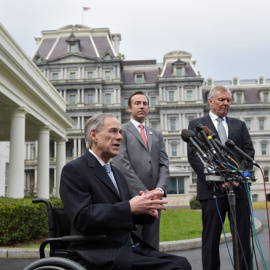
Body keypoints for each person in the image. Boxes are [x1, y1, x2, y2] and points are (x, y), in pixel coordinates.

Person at [60, 113, 191, 270]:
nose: (120, 137)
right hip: (99, 250)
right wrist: (130, 207)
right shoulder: (75, 170)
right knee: (175, 268)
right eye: (113, 131)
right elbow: (83, 218)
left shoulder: (117, 174)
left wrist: (146, 211)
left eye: (120, 132)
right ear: (94, 135)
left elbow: (126, 213)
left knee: (182, 263)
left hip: (126, 245)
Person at [187, 85, 255, 270]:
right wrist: (215, 177)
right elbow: (193, 157)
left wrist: (237, 175)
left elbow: (248, 152)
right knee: (210, 239)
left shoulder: (239, 125)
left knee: (242, 237)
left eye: (228, 100)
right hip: (212, 192)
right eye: (221, 99)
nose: (225, 103)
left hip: (238, 190)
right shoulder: (197, 125)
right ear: (210, 101)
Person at [113, 91, 169, 250]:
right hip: (133, 198)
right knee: (134, 244)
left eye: (145, 103)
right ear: (129, 108)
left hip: (155, 199)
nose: (142, 106)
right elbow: (122, 165)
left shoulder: (156, 134)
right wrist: (145, 193)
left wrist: (158, 190)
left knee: (153, 244)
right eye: (137, 103)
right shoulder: (121, 131)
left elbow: (164, 163)